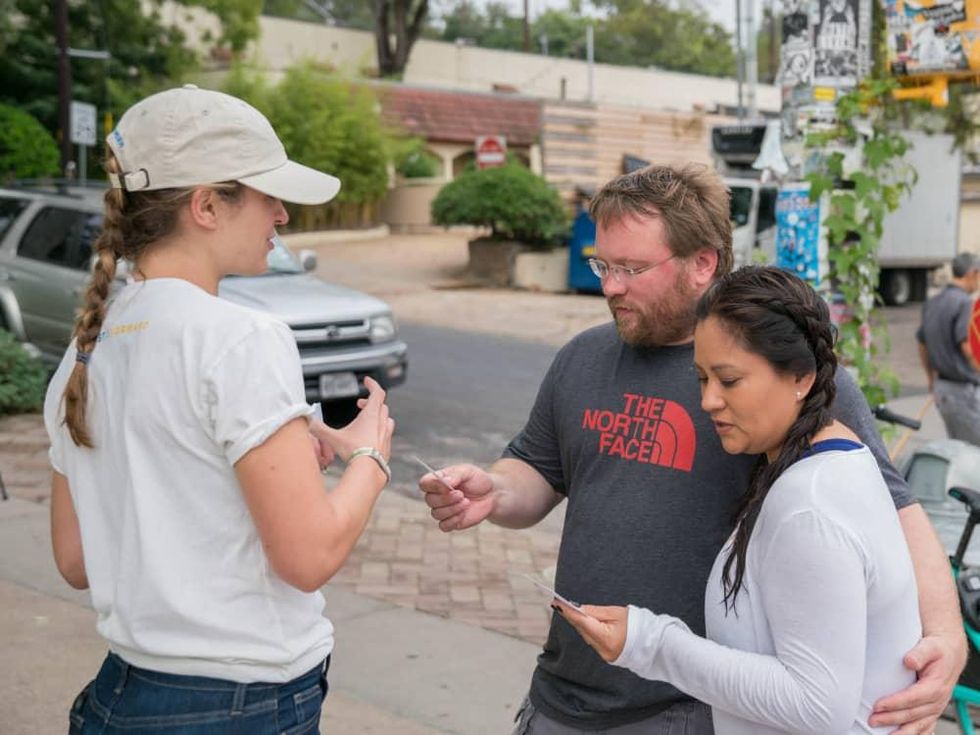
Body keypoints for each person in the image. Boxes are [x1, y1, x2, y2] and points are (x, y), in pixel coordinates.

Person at [419, 164, 965, 734]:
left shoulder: (782, 376)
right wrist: (495, 490)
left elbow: (896, 511)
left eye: (631, 268)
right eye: (602, 265)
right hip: (564, 691)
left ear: (702, 263)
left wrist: (946, 638)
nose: (610, 286)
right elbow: (538, 469)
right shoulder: (582, 358)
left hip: (693, 708)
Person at [44, 85, 394, 734]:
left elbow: (76, 557)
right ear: (207, 204)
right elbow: (309, 554)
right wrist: (370, 457)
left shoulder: (84, 352)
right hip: (238, 704)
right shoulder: (240, 337)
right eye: (268, 196)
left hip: (121, 697)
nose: (283, 215)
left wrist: (251, 467)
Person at [555, 265, 922, 733]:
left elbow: (816, 703)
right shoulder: (836, 454)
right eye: (702, 378)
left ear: (801, 378)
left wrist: (648, 642)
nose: (708, 400)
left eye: (728, 381)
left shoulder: (808, 505)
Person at [917, 251, 980, 445]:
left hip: (943, 389)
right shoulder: (964, 303)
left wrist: (930, 379)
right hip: (964, 391)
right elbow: (967, 346)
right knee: (972, 454)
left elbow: (922, 343)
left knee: (959, 446)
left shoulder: (933, 302)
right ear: (972, 274)